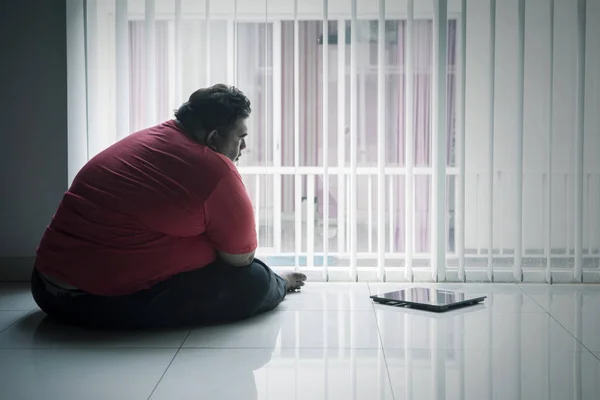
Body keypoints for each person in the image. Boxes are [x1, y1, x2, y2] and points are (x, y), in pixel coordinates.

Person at [31, 84, 307, 329]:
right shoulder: (215, 170)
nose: (244, 146)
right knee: (254, 281)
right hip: (91, 301)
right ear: (213, 138)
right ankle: (279, 283)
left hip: (44, 287)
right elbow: (240, 259)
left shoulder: (148, 139)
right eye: (240, 137)